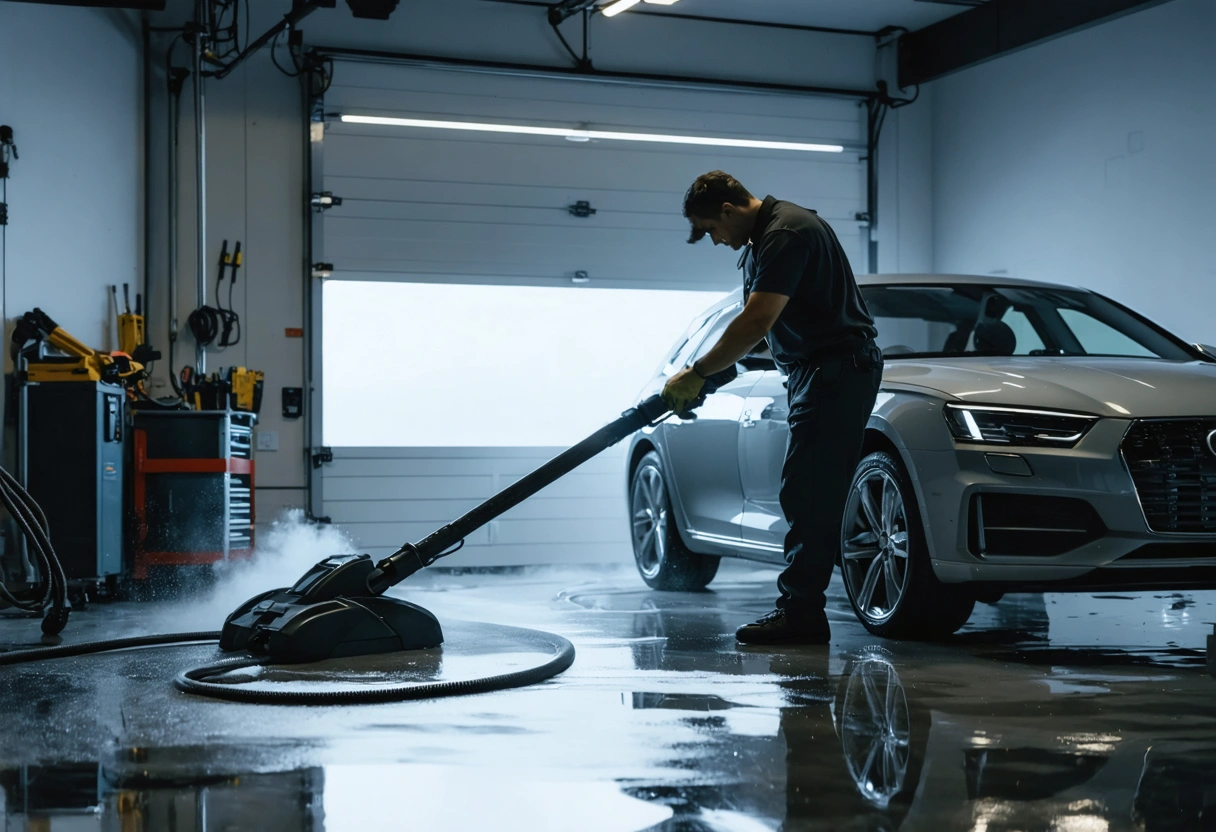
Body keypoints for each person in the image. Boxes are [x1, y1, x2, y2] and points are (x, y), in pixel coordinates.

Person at [662, 171, 882, 645]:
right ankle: (802, 608)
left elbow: (757, 319)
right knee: (806, 488)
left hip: (834, 370)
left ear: (728, 210)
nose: (717, 242)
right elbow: (767, 332)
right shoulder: (769, 237)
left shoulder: (786, 233)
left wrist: (697, 371)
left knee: (810, 491)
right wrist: (712, 379)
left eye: (711, 230)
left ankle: (801, 613)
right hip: (818, 371)